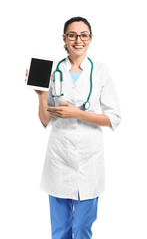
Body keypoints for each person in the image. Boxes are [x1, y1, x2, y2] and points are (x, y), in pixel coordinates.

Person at [25, 16, 121, 239]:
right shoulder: (52, 70)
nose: (78, 40)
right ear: (64, 38)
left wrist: (77, 114)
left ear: (90, 38)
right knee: (60, 231)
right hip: (59, 159)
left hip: (90, 161)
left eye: (83, 35)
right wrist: (41, 97)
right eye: (72, 35)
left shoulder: (100, 71)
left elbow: (114, 118)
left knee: (82, 229)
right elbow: (45, 120)